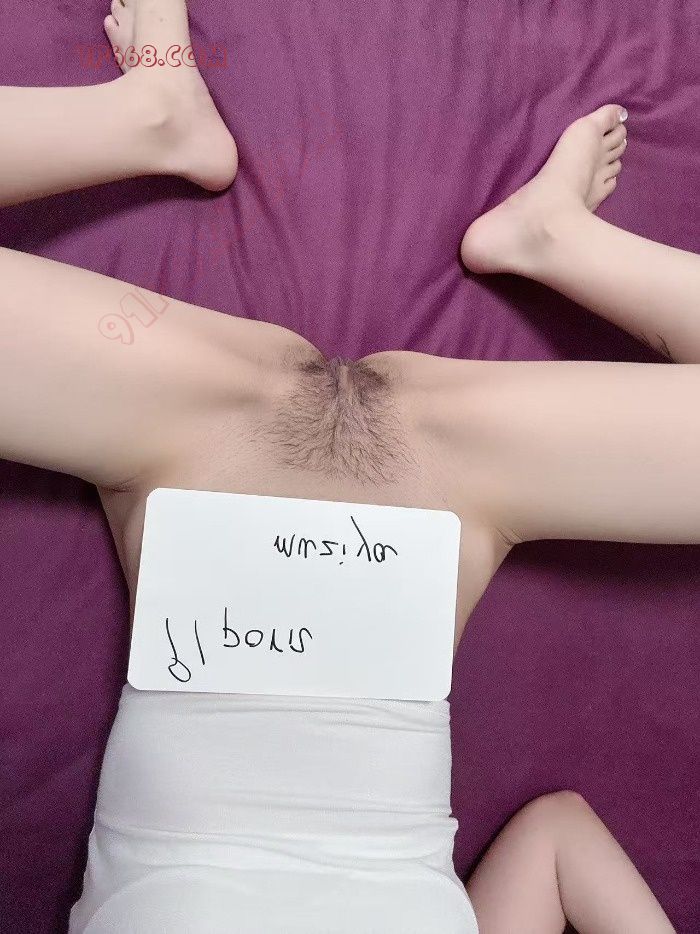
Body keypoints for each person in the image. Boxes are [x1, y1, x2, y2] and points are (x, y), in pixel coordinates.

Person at [2, 0, 697, 931]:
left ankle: (150, 118)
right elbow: (557, 839)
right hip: (454, 487)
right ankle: (553, 239)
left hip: (186, 446)